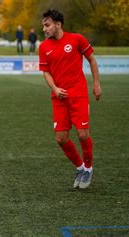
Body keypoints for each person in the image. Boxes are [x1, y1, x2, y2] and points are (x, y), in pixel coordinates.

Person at [39, 9, 101, 189]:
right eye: (43, 25)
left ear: (58, 24)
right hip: (58, 97)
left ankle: (88, 168)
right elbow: (46, 72)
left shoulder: (76, 39)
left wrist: (96, 84)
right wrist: (55, 88)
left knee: (82, 134)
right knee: (61, 139)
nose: (44, 29)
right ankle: (80, 167)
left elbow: (92, 60)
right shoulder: (44, 47)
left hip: (78, 94)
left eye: (47, 25)